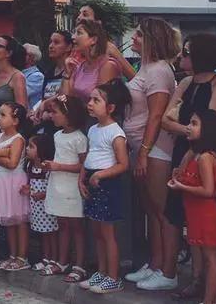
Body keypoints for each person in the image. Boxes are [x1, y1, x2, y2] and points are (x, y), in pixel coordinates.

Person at [161, 33, 216, 302]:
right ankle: (198, 278)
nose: (182, 57)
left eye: (186, 52)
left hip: (211, 156)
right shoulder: (185, 83)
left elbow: (211, 126)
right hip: (186, 154)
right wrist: (190, 131)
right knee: (190, 216)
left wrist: (185, 130)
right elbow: (165, 120)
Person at [123, 18, 182, 292]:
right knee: (150, 209)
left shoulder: (159, 71)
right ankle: (156, 263)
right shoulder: (145, 68)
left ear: (152, 40)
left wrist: (145, 152)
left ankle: (168, 270)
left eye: (139, 35)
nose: (133, 38)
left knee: (162, 212)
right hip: (141, 145)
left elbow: (157, 115)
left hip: (156, 147)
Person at [167, 109, 216, 304]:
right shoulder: (195, 154)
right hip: (197, 213)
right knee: (208, 257)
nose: (188, 127)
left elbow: (208, 190)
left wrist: (181, 186)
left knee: (211, 258)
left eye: (194, 123)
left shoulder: (204, 157)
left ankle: (209, 300)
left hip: (206, 214)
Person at [81, 82, 131, 294]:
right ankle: (101, 272)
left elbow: (123, 164)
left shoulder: (116, 133)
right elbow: (90, 155)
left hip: (107, 184)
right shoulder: (92, 129)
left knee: (108, 233)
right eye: (90, 99)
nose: (90, 104)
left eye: (96, 100)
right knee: (97, 231)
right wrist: (82, 177)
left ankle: (113, 276)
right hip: (92, 181)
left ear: (110, 107)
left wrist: (100, 174)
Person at [43, 95, 88, 281]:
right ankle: (61, 261)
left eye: (55, 112)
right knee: (62, 224)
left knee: (76, 226)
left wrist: (58, 166)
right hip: (58, 185)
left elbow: (83, 165)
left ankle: (79, 265)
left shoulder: (80, 138)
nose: (51, 116)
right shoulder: (56, 135)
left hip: (72, 187)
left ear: (68, 115)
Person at [0, 102, 31, 271]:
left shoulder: (18, 139)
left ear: (15, 120)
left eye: (3, 115)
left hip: (14, 182)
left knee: (19, 220)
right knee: (9, 221)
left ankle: (22, 257)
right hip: (0, 181)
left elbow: (12, 163)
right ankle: (12, 255)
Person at [24, 133, 58, 273]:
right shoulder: (30, 166)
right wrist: (28, 189)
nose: (27, 149)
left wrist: (42, 195)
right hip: (36, 207)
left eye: (31, 147)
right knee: (43, 233)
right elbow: (31, 183)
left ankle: (54, 258)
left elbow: (51, 187)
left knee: (52, 233)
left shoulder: (47, 168)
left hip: (47, 206)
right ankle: (45, 257)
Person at [64, 19, 119, 101]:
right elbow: (64, 99)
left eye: (79, 33)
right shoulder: (80, 66)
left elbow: (101, 103)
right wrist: (67, 74)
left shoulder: (107, 66)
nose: (73, 37)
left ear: (93, 40)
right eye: (74, 33)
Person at [31, 30, 72, 131]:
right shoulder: (49, 71)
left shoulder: (72, 70)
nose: (51, 46)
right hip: (47, 125)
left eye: (56, 42)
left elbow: (67, 97)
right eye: (50, 42)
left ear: (69, 47)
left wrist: (47, 109)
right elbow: (44, 97)